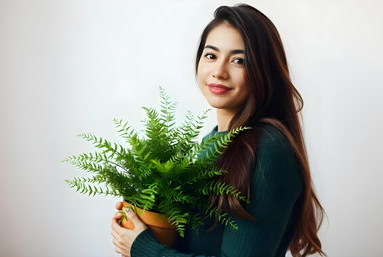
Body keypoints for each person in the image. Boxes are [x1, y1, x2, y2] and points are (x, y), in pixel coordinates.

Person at [111, 4, 325, 257]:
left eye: (238, 60)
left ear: (263, 70)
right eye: (211, 55)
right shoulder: (212, 141)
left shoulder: (267, 148)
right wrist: (147, 217)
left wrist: (143, 248)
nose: (219, 72)